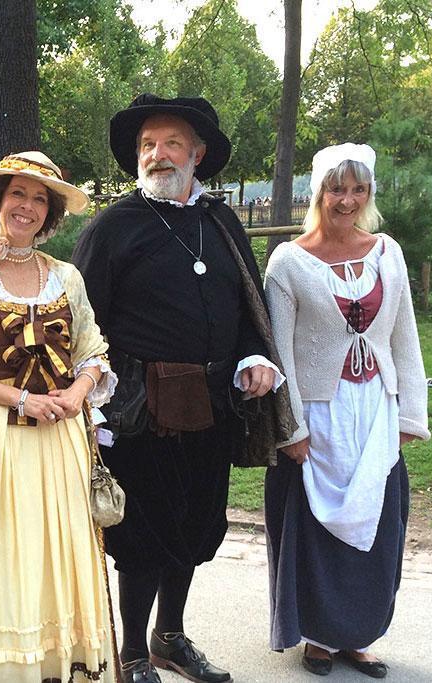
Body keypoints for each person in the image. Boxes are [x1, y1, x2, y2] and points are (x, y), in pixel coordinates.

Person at [72, 94, 297, 683]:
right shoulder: (114, 227)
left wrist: (254, 355)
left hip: (213, 407)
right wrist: (93, 405)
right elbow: (80, 322)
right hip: (138, 410)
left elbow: (250, 305)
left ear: (197, 155)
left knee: (196, 524)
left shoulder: (220, 222)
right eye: (148, 144)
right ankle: (133, 655)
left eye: (172, 143)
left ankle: (169, 637)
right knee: (143, 532)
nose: (157, 154)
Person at [0, 151, 119, 682]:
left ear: (50, 214)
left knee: (56, 558)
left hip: (59, 444)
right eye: (18, 195)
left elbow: (93, 350)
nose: (27, 207)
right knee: (7, 561)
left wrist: (79, 392)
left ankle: (57, 666)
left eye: (39, 199)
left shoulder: (66, 277)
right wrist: (21, 400)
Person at [263, 143, 430, 679]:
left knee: (377, 523)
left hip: (375, 406)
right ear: (319, 192)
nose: (348, 199)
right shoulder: (289, 261)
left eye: (358, 189)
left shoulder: (387, 252)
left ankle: (359, 637)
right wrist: (290, 425)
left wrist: (410, 415)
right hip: (320, 410)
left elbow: (404, 336)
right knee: (314, 524)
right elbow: (280, 350)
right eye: (337, 188)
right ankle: (315, 636)